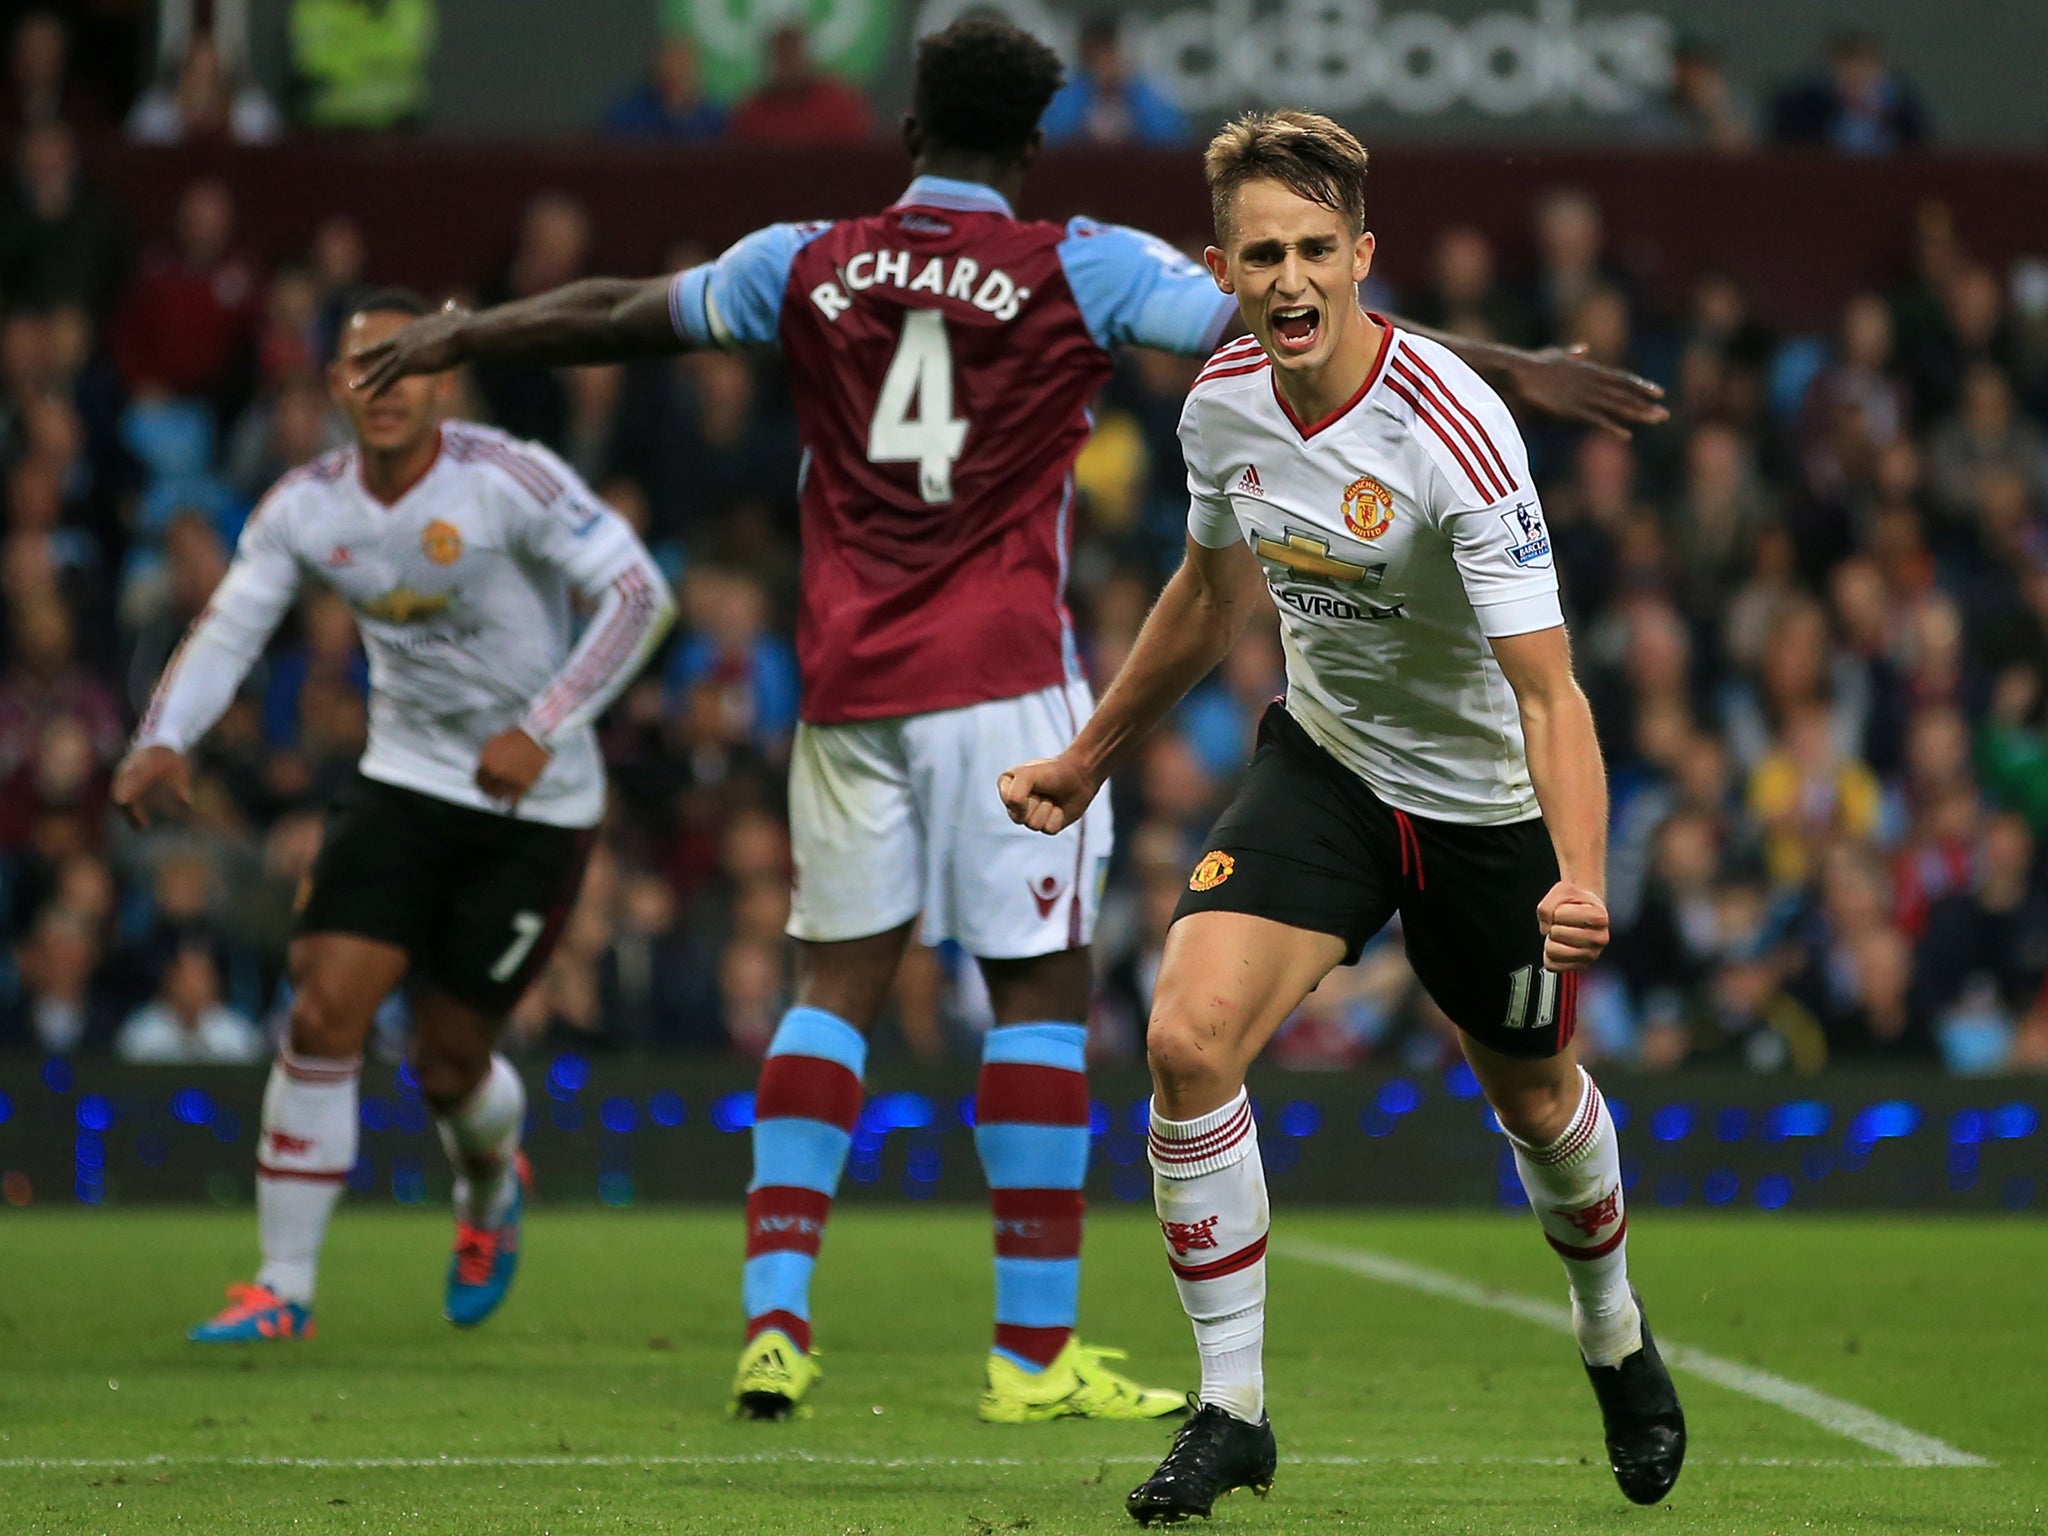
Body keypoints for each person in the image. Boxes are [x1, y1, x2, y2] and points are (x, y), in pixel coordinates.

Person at [349, 18, 1667, 1426]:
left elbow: (624, 315)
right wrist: (1515, 362)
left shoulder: (807, 254)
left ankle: (776, 1321)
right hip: (1005, 670)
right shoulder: (1077, 263)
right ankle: (1036, 1356)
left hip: (847, 681)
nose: (1285, 274)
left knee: (830, 988)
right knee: (1039, 995)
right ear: (1032, 149)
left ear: (909, 134)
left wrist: (467, 331)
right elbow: (1292, 327)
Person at [996, 112, 1685, 1522]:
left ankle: (1612, 1327)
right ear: (1224, 269)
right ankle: (1233, 1409)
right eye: (1264, 254)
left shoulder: (1458, 431)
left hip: (1486, 810)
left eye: (1318, 248)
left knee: (1539, 1107)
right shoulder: (1221, 405)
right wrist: (1090, 754)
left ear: (1364, 255)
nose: (1292, 277)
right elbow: (1206, 595)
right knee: (1185, 1041)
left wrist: (1580, 872)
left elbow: (1551, 697)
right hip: (1327, 771)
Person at [112, 288, 675, 1344]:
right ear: (333, 382)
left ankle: (488, 1189)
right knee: (323, 1010)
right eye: (367, 363)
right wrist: (161, 737)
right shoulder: (305, 506)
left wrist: (545, 724)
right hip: (404, 782)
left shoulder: (509, 478)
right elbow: (231, 625)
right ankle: (282, 1287)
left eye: (411, 363)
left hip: (534, 808)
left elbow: (641, 595)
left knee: (446, 1064)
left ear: (447, 380)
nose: (387, 385)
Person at [1041, 15, 1187, 147]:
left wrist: (1129, 95)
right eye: (1096, 52)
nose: (1104, 59)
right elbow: (1052, 140)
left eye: (1109, 50)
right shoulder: (1066, 97)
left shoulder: (1147, 95)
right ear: (1084, 53)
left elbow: (1173, 140)